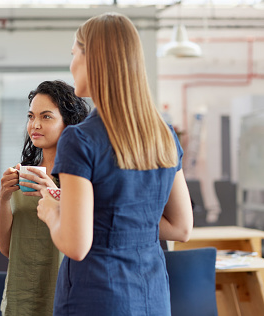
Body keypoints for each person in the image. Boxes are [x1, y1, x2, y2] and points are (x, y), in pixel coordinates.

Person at [36, 13, 193, 315]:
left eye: (74, 54)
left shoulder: (79, 139)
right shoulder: (164, 135)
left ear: (90, 58)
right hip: (152, 296)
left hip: (97, 297)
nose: (71, 65)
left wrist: (53, 213)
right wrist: (110, 216)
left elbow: (76, 244)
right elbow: (181, 227)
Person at [0, 80, 90, 315]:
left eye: (46, 117)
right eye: (31, 116)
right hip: (22, 296)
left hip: (68, 293)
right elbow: (6, 247)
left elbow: (86, 240)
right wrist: (4, 198)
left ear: (68, 123)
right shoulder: (24, 175)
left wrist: (55, 194)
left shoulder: (83, 178)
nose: (35, 125)